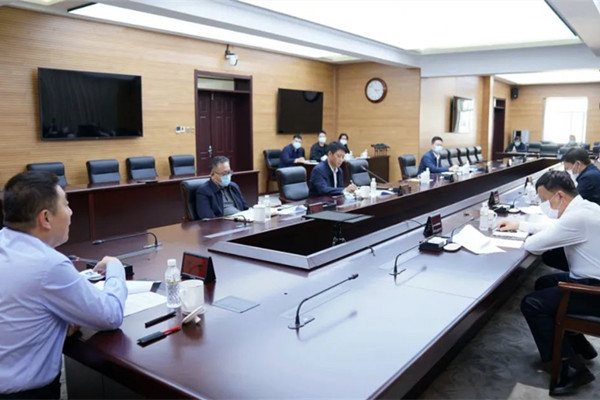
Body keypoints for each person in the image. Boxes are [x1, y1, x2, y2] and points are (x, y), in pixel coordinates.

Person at [0, 171, 127, 398]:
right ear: (46, 218)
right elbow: (110, 315)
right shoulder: (48, 265)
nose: (71, 212)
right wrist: (116, 267)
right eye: (66, 205)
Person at [498, 171, 600, 396]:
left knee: (532, 304)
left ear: (560, 196)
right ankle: (579, 346)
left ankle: (571, 368)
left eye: (545, 200)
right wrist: (520, 225)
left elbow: (534, 246)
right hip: (590, 279)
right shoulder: (586, 208)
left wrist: (524, 235)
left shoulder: (577, 218)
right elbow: (555, 229)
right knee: (545, 283)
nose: (545, 206)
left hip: (594, 291)